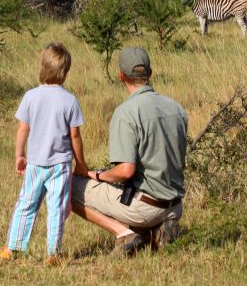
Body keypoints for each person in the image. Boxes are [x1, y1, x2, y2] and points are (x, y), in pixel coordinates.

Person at [71, 47, 188, 256]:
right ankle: (157, 229)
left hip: (145, 207)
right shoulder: (176, 107)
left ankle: (125, 233)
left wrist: (97, 175)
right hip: (175, 206)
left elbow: (125, 170)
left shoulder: (126, 112)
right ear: (150, 74)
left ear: (121, 76)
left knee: (67, 187)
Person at [0, 43, 88, 266]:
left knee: (26, 204)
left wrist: (19, 155)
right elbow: (75, 137)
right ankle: (53, 252)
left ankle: (13, 247)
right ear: (65, 71)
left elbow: (22, 129)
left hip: (35, 163)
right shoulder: (70, 100)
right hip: (61, 165)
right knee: (56, 208)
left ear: (43, 66)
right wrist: (81, 164)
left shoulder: (30, 96)